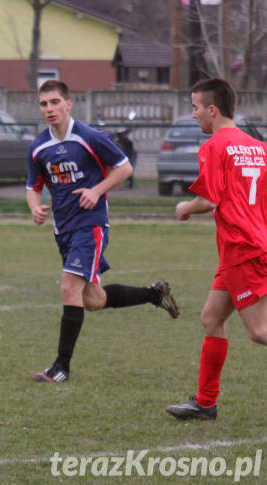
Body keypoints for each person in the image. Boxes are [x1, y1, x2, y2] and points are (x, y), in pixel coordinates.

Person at [26, 80, 180, 383]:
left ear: (69, 103)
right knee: (93, 300)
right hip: (64, 230)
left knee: (69, 287)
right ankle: (153, 294)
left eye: (55, 102)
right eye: (44, 104)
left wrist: (96, 191)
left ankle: (61, 368)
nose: (49, 109)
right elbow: (33, 187)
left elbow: (123, 167)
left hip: (91, 225)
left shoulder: (90, 137)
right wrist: (34, 206)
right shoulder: (38, 147)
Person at [166, 78, 267, 421]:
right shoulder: (257, 146)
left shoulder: (214, 146)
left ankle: (206, 402)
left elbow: (208, 200)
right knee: (211, 319)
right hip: (245, 246)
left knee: (260, 332)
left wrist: (184, 207)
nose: (193, 115)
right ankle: (205, 402)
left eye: (195, 107)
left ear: (212, 109)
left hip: (243, 248)